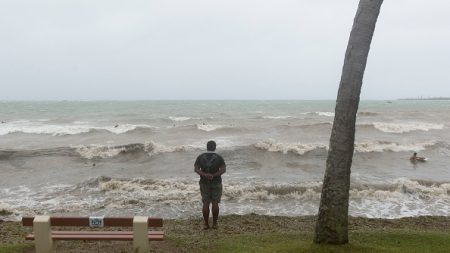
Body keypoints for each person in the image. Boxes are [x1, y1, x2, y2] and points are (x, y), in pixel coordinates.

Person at [194, 140, 226, 229]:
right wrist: (214, 175)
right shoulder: (219, 157)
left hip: (204, 182)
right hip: (216, 182)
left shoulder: (200, 157)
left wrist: (204, 174)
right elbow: (223, 169)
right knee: (215, 203)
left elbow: (196, 169)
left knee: (206, 203)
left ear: (207, 147)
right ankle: (215, 224)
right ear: (215, 147)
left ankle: (206, 224)